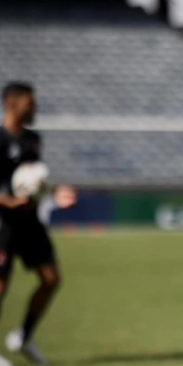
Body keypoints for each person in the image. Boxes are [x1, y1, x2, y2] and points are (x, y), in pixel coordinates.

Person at [0, 82, 77, 365]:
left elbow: (34, 181)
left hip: (29, 222)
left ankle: (23, 337)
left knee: (51, 279)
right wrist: (6, 201)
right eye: (30, 103)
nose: (34, 108)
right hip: (3, 223)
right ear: (12, 103)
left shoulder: (32, 139)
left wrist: (56, 193)